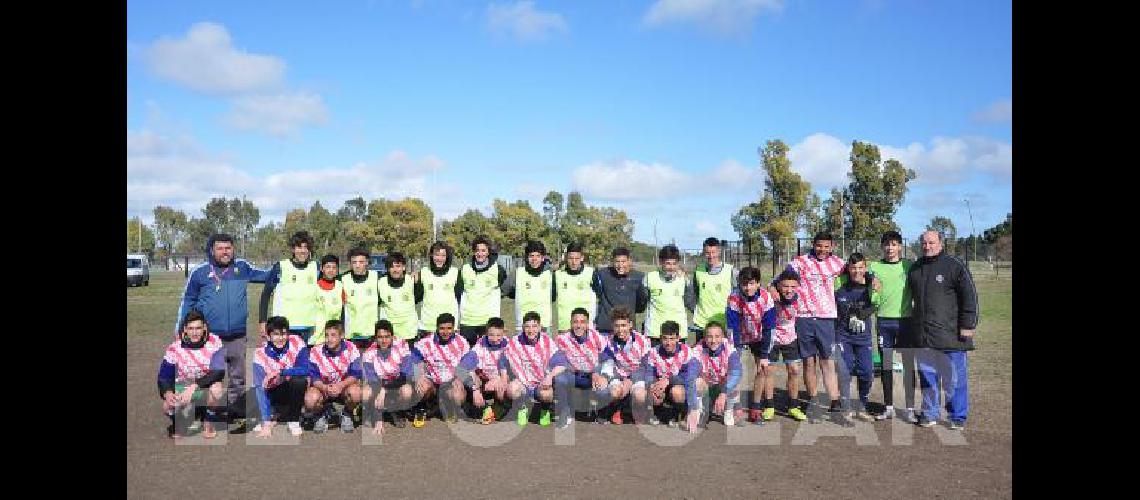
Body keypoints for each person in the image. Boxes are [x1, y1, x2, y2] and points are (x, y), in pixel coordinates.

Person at [175, 233, 270, 430]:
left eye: (228, 247)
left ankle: (235, 413)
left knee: (238, 377)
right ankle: (197, 413)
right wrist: (180, 329)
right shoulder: (200, 273)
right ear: (212, 250)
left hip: (237, 335)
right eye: (220, 248)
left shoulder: (242, 268)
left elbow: (267, 275)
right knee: (207, 376)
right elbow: (188, 301)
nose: (225, 251)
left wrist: (285, 268)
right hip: (209, 338)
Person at [770, 232, 846, 423]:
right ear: (813, 244)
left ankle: (835, 402)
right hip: (803, 317)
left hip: (826, 318)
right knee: (808, 362)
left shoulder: (837, 263)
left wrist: (872, 278)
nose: (822, 249)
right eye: (819, 245)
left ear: (832, 246)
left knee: (827, 361)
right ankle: (812, 401)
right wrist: (772, 287)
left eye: (826, 246)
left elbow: (857, 272)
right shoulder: (800, 262)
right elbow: (781, 278)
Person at [909, 230, 978, 430]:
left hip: (952, 336)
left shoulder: (954, 266)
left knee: (954, 379)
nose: (927, 246)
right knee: (927, 377)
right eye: (924, 243)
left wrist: (968, 325)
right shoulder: (915, 268)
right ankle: (930, 413)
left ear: (940, 243)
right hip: (924, 336)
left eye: (931, 242)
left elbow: (970, 296)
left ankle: (957, 416)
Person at [868, 230, 918, 422]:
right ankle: (888, 407)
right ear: (882, 247)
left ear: (900, 246)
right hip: (883, 322)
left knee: (907, 365)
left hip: (905, 322)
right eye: (887, 244)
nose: (890, 248)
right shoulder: (874, 266)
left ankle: (910, 409)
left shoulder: (909, 266)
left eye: (894, 244)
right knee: (886, 366)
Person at [159, 310, 228, 439]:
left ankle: (208, 421)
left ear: (205, 328)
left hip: (203, 387)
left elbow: (219, 372)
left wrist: (195, 386)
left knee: (217, 389)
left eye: (198, 328)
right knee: (166, 406)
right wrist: (168, 393)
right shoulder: (175, 347)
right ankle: (178, 424)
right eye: (190, 328)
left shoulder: (214, 342)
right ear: (185, 329)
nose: (194, 332)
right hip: (182, 388)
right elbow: (164, 376)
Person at [751, 270, 807, 423]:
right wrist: (770, 287)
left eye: (793, 286)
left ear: (798, 286)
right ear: (779, 286)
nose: (789, 290)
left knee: (794, 370)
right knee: (768, 370)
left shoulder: (801, 295)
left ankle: (793, 406)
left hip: (791, 337)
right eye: (785, 286)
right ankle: (769, 405)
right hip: (772, 337)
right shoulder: (770, 296)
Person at [499, 311, 569, 427]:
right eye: (527, 326)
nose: (531, 330)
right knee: (511, 389)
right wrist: (503, 378)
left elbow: (562, 363)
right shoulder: (515, 341)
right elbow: (502, 360)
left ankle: (545, 409)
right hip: (523, 383)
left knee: (547, 394)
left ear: (540, 327)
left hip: (541, 383)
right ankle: (522, 407)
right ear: (522, 327)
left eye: (534, 326)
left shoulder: (547, 342)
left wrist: (549, 378)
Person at [251, 316, 310, 437]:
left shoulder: (297, 342)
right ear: (268, 336)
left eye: (284, 334)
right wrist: (266, 425)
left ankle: (293, 420)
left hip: (290, 388)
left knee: (299, 381)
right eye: (276, 334)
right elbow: (260, 388)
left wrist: (280, 372)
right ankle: (272, 415)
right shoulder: (259, 354)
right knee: (241, 404)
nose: (281, 338)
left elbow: (305, 369)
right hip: (271, 391)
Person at [409, 313, 471, 427]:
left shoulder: (462, 342)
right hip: (432, 382)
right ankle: (422, 408)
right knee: (421, 387)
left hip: (450, 382)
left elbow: (467, 362)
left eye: (449, 328)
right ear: (437, 328)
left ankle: (448, 406)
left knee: (459, 396)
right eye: (442, 328)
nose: (445, 332)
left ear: (454, 328)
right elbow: (414, 359)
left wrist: (459, 378)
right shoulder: (425, 342)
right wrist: (419, 376)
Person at [834, 253, 876, 423]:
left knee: (866, 373)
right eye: (853, 267)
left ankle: (863, 406)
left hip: (864, 339)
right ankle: (846, 409)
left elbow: (877, 303)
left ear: (865, 268)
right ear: (848, 269)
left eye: (860, 267)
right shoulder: (840, 287)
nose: (857, 271)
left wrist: (864, 313)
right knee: (845, 372)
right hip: (843, 336)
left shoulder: (872, 286)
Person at [259, 231, 322, 342]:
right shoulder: (281, 267)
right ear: (293, 249)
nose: (303, 251)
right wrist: (262, 321)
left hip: (310, 329)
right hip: (284, 329)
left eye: (306, 247)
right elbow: (266, 294)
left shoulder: (315, 267)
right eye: (299, 247)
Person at [302, 320, 363, 433]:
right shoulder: (316, 351)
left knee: (356, 393)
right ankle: (321, 413)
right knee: (310, 400)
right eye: (326, 335)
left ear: (342, 336)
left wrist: (340, 385)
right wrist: (326, 388)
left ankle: (347, 413)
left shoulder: (352, 348)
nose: (329, 339)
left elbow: (355, 374)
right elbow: (314, 378)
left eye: (333, 335)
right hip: (324, 389)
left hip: (344, 388)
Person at [596, 306, 653, 425]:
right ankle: (615, 409)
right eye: (617, 326)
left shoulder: (643, 341)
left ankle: (636, 411)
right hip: (617, 376)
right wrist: (605, 377)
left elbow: (644, 366)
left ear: (630, 325)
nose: (620, 329)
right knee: (614, 391)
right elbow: (608, 363)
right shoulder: (608, 341)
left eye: (623, 325)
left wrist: (631, 380)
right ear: (612, 326)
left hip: (637, 376)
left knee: (640, 395)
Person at [639, 321, 701, 431]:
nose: (668, 343)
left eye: (672, 339)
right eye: (665, 338)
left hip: (677, 386)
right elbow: (648, 373)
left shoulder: (687, 352)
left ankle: (679, 414)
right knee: (650, 391)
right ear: (660, 338)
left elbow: (690, 378)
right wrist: (652, 385)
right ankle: (659, 413)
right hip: (660, 386)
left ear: (678, 338)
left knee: (677, 392)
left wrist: (669, 380)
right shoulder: (654, 352)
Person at [553, 307, 610, 424]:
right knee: (559, 379)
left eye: (582, 322)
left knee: (604, 388)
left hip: (593, 375)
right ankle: (565, 410)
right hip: (574, 375)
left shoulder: (597, 337)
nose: (579, 326)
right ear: (570, 323)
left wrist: (603, 375)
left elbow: (608, 359)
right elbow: (557, 362)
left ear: (588, 324)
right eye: (575, 322)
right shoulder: (562, 339)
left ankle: (601, 412)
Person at [360, 319, 417, 435]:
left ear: (392, 336)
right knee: (365, 393)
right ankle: (376, 412)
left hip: (397, 384)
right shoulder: (368, 354)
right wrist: (378, 419)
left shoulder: (402, 346)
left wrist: (384, 388)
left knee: (407, 391)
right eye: (380, 337)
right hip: (379, 386)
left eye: (387, 336)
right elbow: (373, 381)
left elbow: (407, 375)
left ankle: (396, 410)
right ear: (375, 338)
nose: (384, 340)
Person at [458, 317, 511, 424]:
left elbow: (515, 370)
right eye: (491, 335)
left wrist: (500, 380)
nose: (495, 339)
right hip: (483, 380)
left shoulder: (510, 346)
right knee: (469, 375)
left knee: (503, 390)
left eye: (499, 335)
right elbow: (461, 369)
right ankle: (478, 405)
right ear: (486, 332)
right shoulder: (479, 346)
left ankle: (500, 407)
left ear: (504, 333)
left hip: (501, 379)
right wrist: (475, 390)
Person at [458, 236, 508, 347]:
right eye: (477, 250)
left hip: (488, 322)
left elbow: (506, 289)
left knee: (488, 359)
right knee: (467, 358)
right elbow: (458, 294)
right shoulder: (465, 269)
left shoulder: (497, 269)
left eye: (483, 250)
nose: (480, 254)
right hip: (467, 321)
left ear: (488, 251)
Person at [640, 244, 695, 346]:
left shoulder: (684, 279)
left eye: (674, 264)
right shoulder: (650, 278)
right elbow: (643, 300)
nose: (671, 267)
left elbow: (690, 302)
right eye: (668, 263)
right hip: (655, 332)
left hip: (677, 333)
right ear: (661, 262)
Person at [691, 321, 743, 427]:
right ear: (705, 338)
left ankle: (728, 411)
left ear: (723, 336)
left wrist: (723, 393)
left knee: (734, 384)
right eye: (709, 337)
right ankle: (701, 411)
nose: (713, 341)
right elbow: (691, 372)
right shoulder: (697, 349)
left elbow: (736, 373)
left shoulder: (730, 349)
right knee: (696, 382)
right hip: (707, 387)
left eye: (717, 336)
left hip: (722, 387)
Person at [593, 247, 646, 336]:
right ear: (612, 262)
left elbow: (641, 304)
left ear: (629, 261)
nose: (620, 265)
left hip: (628, 329)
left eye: (623, 261)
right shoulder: (602, 274)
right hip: (606, 329)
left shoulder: (638, 277)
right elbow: (596, 290)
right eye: (617, 262)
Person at [692, 237, 736, 343]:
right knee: (701, 357)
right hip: (702, 323)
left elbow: (739, 295)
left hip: (724, 323)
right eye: (707, 253)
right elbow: (694, 294)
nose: (711, 256)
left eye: (713, 252)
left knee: (723, 358)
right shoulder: (698, 271)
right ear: (704, 252)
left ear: (719, 251)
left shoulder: (730, 271)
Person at [506, 240, 556, 334]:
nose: (534, 259)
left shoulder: (549, 274)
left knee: (544, 348)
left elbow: (553, 296)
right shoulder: (518, 273)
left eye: (538, 256)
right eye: (531, 256)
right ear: (527, 257)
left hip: (543, 325)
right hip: (523, 324)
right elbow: (506, 290)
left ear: (542, 258)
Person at [416, 241, 462, 338]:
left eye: (443, 255)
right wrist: (415, 283)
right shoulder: (424, 272)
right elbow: (417, 297)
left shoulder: (455, 273)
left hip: (448, 327)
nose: (439, 258)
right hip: (427, 326)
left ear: (447, 257)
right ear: (431, 255)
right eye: (437, 255)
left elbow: (460, 298)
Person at [341, 247, 382, 349]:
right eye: (354, 262)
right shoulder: (343, 279)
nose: (357, 265)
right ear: (350, 264)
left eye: (361, 262)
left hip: (372, 335)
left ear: (367, 262)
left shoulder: (376, 278)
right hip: (351, 336)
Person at [554, 243, 597, 334]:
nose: (573, 262)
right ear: (566, 258)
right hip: (565, 327)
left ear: (582, 258)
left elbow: (600, 296)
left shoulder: (590, 273)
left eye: (577, 258)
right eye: (570, 258)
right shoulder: (558, 275)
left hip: (585, 327)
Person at [378, 252, 422, 342]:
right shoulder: (381, 283)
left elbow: (418, 298)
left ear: (404, 267)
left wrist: (417, 283)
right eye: (392, 266)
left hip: (409, 333)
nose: (395, 269)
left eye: (398, 266)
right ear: (388, 269)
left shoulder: (411, 281)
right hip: (390, 335)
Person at [311, 254, 345, 346]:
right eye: (328, 267)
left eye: (334, 267)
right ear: (322, 269)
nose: (331, 270)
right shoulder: (314, 287)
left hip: (334, 337)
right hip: (316, 338)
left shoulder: (340, 286)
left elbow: (343, 312)